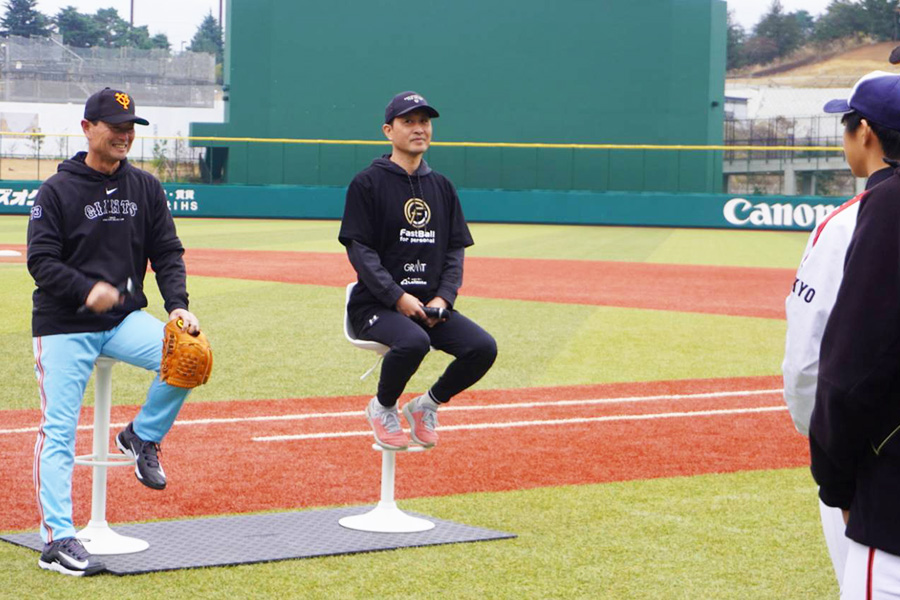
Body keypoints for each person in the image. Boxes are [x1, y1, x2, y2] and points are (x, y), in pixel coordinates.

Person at [27, 88, 201, 577]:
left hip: (124, 319)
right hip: (64, 324)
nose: (125, 135)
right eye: (115, 126)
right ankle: (58, 539)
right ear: (88, 128)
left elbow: (167, 252)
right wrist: (87, 290)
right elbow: (41, 263)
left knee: (190, 355)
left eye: (130, 127)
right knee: (59, 430)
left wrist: (177, 308)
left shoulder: (145, 187)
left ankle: (140, 436)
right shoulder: (56, 191)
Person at [338, 91, 497, 450]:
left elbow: (455, 250)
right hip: (375, 306)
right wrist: (397, 297)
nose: (419, 128)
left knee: (482, 348)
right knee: (414, 341)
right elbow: (359, 250)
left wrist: (444, 297)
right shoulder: (367, 182)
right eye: (408, 121)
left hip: (429, 304)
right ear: (387, 130)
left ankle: (426, 406)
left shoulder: (442, 186)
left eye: (424, 122)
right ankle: (382, 408)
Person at [810, 71, 900, 598]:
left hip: (890, 500)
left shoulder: (884, 207)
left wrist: (836, 481)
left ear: (864, 132)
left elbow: (847, 371)